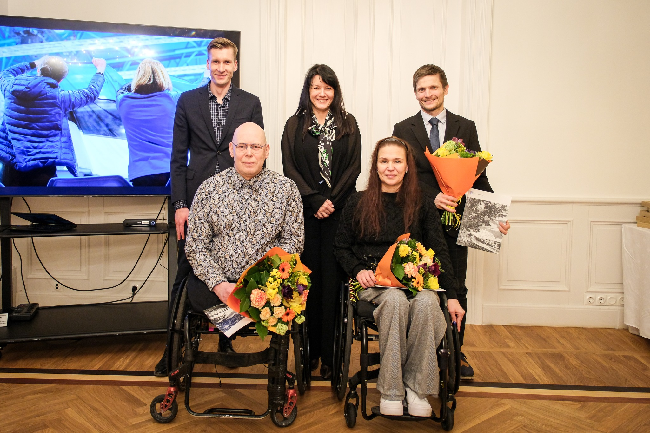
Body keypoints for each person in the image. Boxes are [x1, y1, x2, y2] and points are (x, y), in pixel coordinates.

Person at [392, 64, 510, 379]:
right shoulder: (403, 128)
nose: (427, 94)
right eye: (421, 89)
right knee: (419, 285)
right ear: (415, 93)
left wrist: (495, 215)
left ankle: (455, 351)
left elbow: (476, 175)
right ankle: (417, 352)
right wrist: (432, 197)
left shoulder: (465, 126)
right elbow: (403, 175)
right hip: (418, 220)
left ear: (445, 89)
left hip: (457, 221)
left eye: (433, 87)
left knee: (456, 286)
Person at [156, 37, 264, 376]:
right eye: (215, 61)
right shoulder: (188, 101)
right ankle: (171, 350)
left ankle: (226, 338)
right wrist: (180, 204)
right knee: (184, 275)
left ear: (235, 65)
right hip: (195, 202)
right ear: (208, 64)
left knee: (232, 271)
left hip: (238, 202)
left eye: (226, 62)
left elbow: (254, 154)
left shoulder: (250, 103)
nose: (221, 67)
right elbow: (177, 158)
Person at [334, 137, 463, 417]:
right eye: (384, 161)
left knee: (427, 303)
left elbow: (439, 250)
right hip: (374, 284)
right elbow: (341, 247)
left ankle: (416, 389)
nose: (390, 167)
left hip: (414, 283)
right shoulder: (357, 202)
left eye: (397, 161)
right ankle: (391, 392)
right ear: (375, 166)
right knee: (394, 301)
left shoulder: (422, 204)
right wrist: (358, 270)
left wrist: (452, 296)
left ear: (407, 167)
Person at [281, 64, 361, 380]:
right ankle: (309, 352)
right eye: (316, 87)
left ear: (335, 91)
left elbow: (353, 168)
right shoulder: (294, 124)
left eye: (328, 87)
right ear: (308, 91)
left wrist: (331, 201)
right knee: (308, 284)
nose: (322, 93)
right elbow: (289, 166)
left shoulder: (348, 123)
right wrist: (314, 200)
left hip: (338, 216)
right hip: (305, 215)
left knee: (333, 284)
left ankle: (331, 355)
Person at [184, 122, 304, 318]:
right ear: (231, 150)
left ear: (266, 151)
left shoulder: (286, 189)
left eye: (255, 147)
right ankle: (235, 327)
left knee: (287, 296)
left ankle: (248, 328)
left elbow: (294, 242)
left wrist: (265, 281)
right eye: (242, 146)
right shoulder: (208, 190)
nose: (249, 153)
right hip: (220, 283)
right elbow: (195, 247)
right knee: (199, 296)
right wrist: (218, 284)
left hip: (268, 284)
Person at [0, 56, 106, 186]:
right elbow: (91, 93)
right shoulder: (60, 98)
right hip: (43, 168)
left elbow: (5, 73)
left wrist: (34, 63)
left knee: (10, 199)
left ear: (39, 70)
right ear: (61, 80)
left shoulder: (10, 88)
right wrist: (100, 70)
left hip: (11, 165)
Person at [116, 58, 179, 186]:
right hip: (170, 171)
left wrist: (140, 79)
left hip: (140, 174)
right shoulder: (173, 99)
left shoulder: (123, 102)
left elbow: (121, 90)